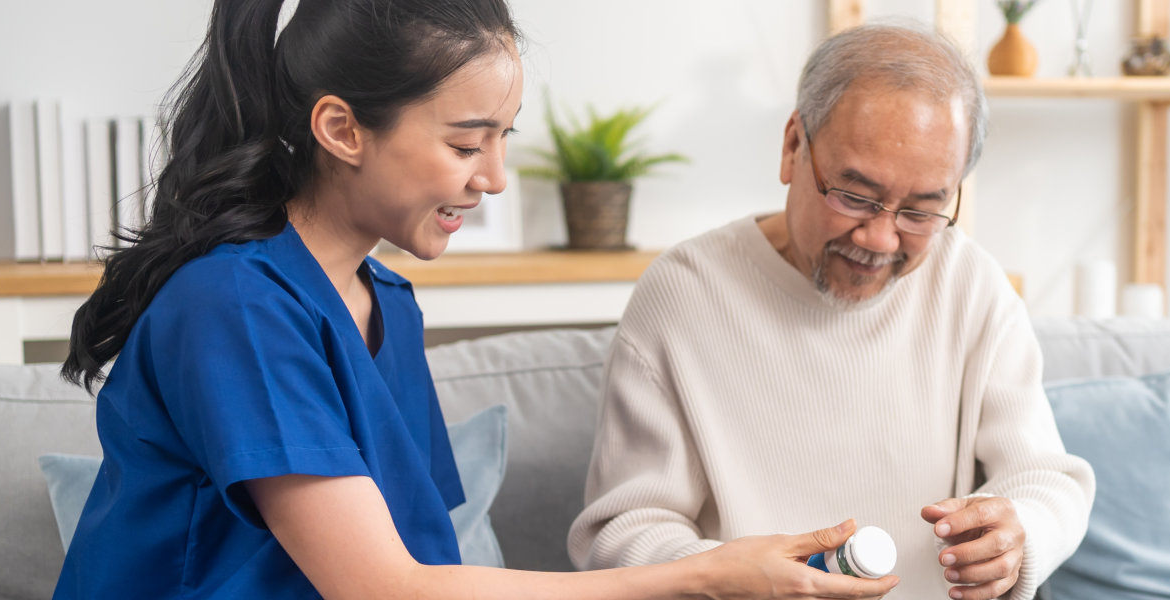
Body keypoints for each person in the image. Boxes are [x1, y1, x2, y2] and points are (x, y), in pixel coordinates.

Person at [53, 1, 899, 598]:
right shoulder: (234, 306)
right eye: (466, 142)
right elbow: (384, 589)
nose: (493, 178)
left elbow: (429, 561)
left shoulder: (386, 304)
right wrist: (705, 573)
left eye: (503, 139)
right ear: (342, 129)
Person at [568, 24, 1096, 600]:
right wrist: (728, 577)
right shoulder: (684, 295)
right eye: (854, 196)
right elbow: (620, 532)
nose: (881, 239)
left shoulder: (970, 284)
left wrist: (1018, 533)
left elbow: (1045, 477)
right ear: (794, 145)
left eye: (921, 210)